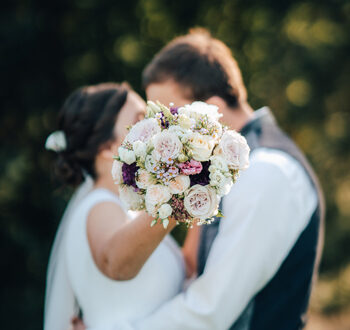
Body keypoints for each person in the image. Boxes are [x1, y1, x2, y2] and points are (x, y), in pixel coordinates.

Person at [77, 29, 324, 330]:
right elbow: (195, 275)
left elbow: (210, 309)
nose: (160, 131)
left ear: (212, 110)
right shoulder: (229, 170)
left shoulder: (267, 171)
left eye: (170, 116)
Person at [44, 83, 185, 330]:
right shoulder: (99, 206)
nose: (156, 126)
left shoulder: (130, 212)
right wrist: (181, 192)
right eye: (140, 119)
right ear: (108, 148)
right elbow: (115, 263)